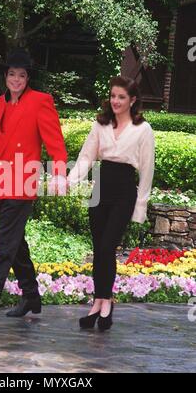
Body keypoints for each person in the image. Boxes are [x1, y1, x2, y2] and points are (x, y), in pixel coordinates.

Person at [0, 49, 67, 322]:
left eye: (21, 75)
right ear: (5, 76)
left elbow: (55, 142)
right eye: (12, 74)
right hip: (2, 180)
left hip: (23, 181)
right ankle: (31, 296)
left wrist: (59, 173)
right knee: (15, 243)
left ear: (28, 78)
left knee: (4, 243)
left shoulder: (41, 101)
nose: (16, 79)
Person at [68, 76, 155, 331]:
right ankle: (99, 302)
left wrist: (140, 209)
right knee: (99, 249)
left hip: (124, 191)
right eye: (113, 96)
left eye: (122, 97)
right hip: (100, 189)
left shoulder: (143, 130)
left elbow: (147, 172)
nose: (116, 101)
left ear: (133, 100)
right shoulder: (100, 125)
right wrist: (69, 181)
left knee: (108, 246)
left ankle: (105, 303)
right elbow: (85, 158)